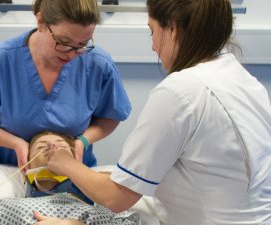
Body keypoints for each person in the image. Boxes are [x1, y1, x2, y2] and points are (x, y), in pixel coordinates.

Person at [40, 0, 271, 224]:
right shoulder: (245, 80)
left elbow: (116, 197)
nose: (152, 46)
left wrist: (63, 163)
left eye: (152, 31)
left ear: (172, 29)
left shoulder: (180, 91)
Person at [0, 0, 131, 170]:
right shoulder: (2, 60)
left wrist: (83, 141)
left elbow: (111, 115)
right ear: (41, 21)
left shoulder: (98, 64)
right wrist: (15, 143)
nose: (71, 54)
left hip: (72, 179)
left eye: (82, 44)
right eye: (64, 42)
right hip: (10, 174)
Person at [0, 132, 139, 225]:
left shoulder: (108, 210)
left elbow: (121, 185)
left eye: (61, 145)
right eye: (41, 146)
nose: (52, 147)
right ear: (26, 166)